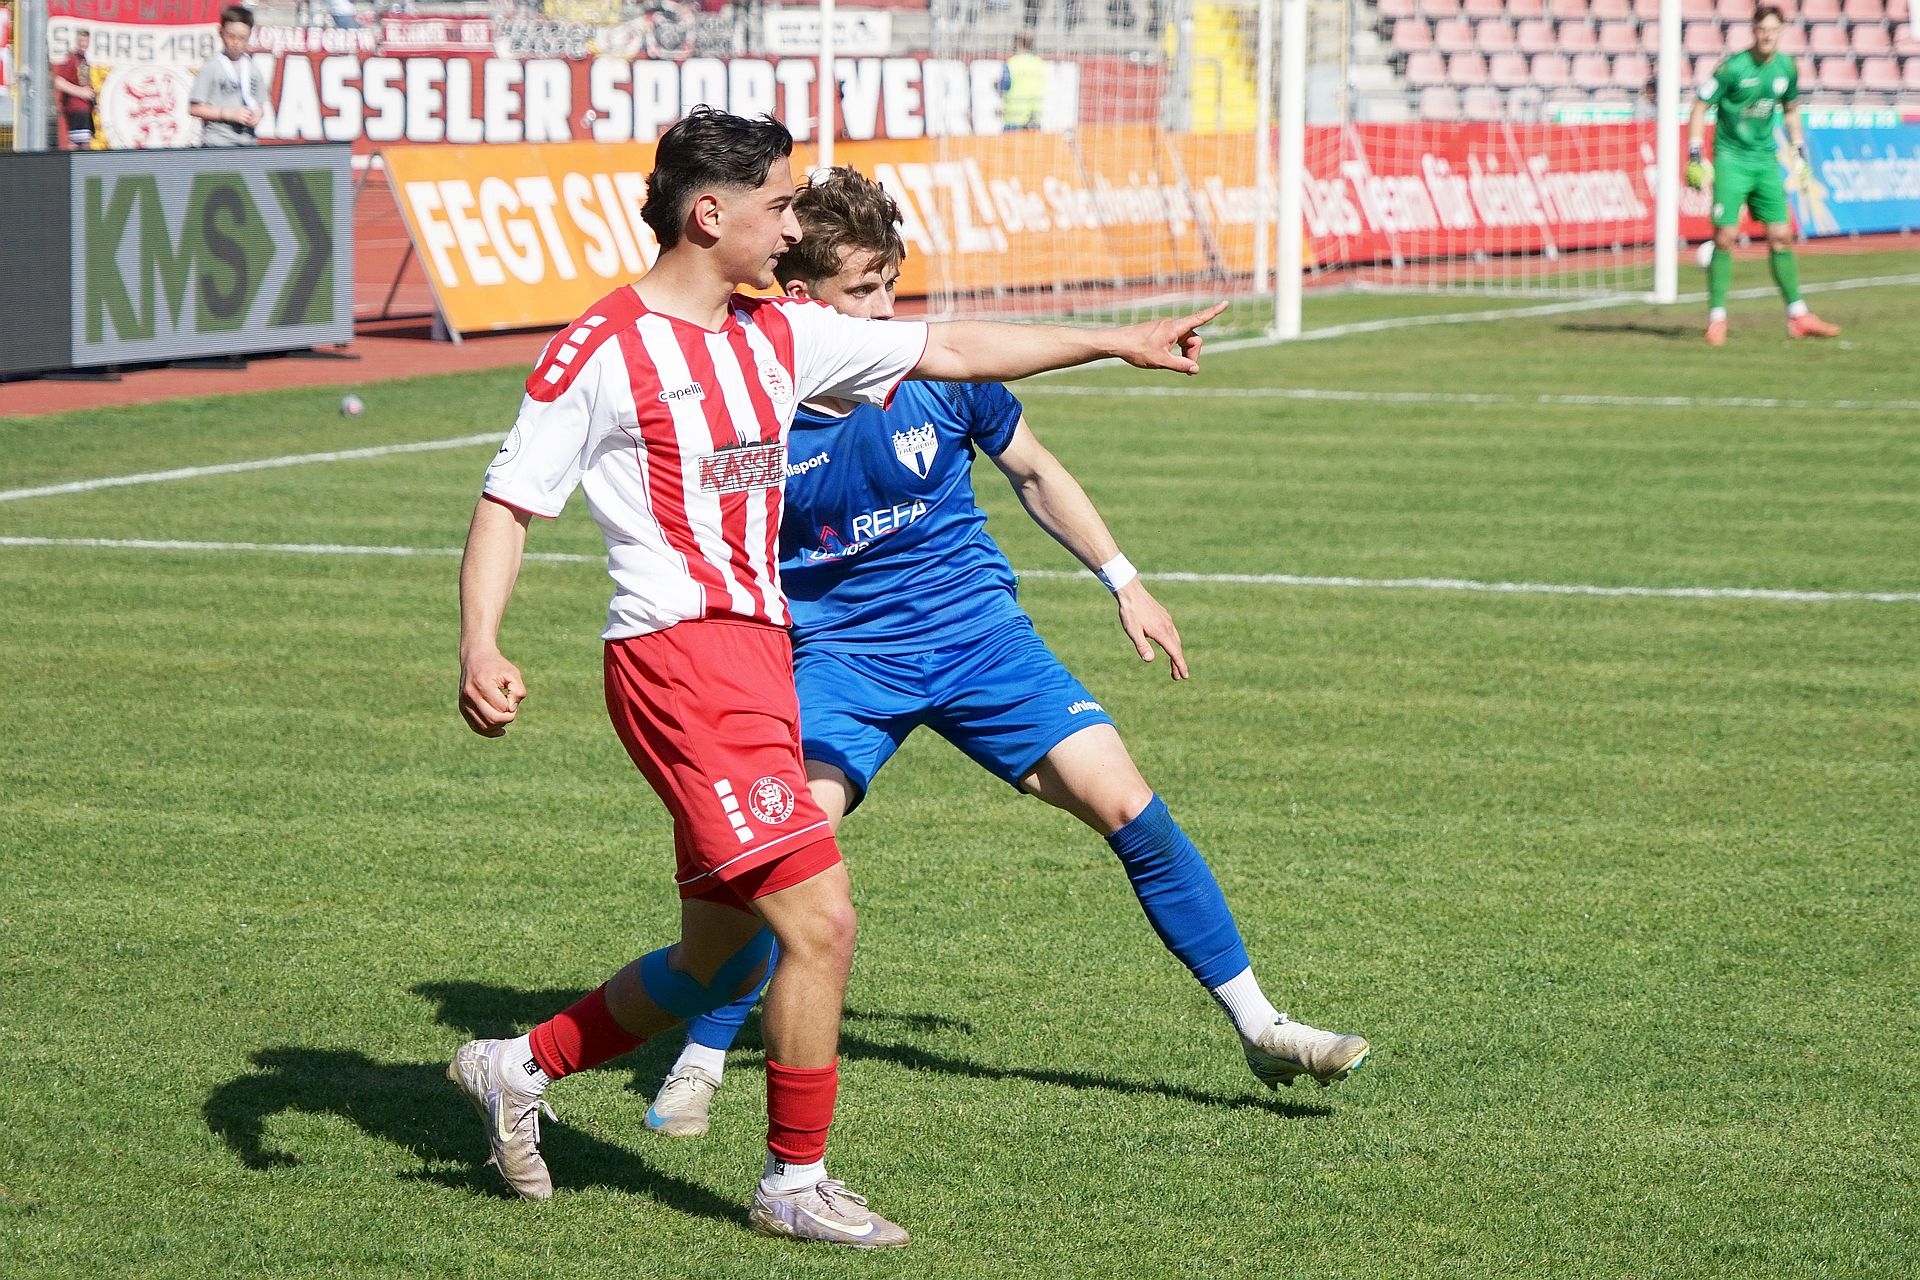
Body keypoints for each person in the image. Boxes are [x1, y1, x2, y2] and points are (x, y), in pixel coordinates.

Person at [449, 107, 1225, 1250]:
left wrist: (1118, 340)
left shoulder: (782, 334)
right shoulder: (601, 350)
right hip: (677, 663)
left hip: (765, 659)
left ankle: (517, 1067)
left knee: (714, 954)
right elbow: (510, 501)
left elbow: (954, 347)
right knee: (823, 919)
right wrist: (481, 642)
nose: (789, 227)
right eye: (775, 205)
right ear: (708, 214)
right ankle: (793, 1181)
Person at [640, 166, 1370, 1144]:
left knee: (1127, 802)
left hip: (978, 638)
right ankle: (701, 1053)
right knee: (790, 858)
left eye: (891, 285)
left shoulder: (941, 375)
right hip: (840, 661)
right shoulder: (752, 410)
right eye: (863, 292)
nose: (887, 312)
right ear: (802, 297)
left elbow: (1033, 469)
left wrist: (1125, 580)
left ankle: (1262, 1026)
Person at [1685, 5, 1839, 347]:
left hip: (1766, 160)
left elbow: (1791, 111)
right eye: (1762, 29)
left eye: (1773, 29)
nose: (1767, 35)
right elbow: (1699, 106)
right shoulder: (1732, 68)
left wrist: (1799, 155)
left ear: (1781, 31)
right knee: (1725, 236)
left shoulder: (1787, 68)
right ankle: (1717, 318)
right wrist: (1695, 154)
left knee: (1781, 235)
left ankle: (1798, 316)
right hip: (1731, 159)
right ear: (1753, 31)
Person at [188, 7, 266, 147]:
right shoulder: (211, 66)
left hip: (248, 142)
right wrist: (226, 113)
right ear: (221, 32)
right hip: (217, 143)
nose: (236, 42)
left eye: (242, 38)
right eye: (231, 36)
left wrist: (258, 115)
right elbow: (194, 108)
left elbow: (260, 104)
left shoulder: (253, 68)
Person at [52, 29, 96, 150]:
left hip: (85, 108)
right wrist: (81, 92)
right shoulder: (71, 58)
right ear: (76, 41)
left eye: (86, 41)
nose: (83, 44)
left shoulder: (84, 60)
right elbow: (59, 82)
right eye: (81, 41)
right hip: (76, 108)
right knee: (79, 145)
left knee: (84, 143)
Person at [998, 30, 1047, 131]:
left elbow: (1004, 86)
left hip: (1014, 119)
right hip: (1034, 121)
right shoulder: (1039, 63)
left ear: (1018, 43)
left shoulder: (1012, 63)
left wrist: (996, 86)